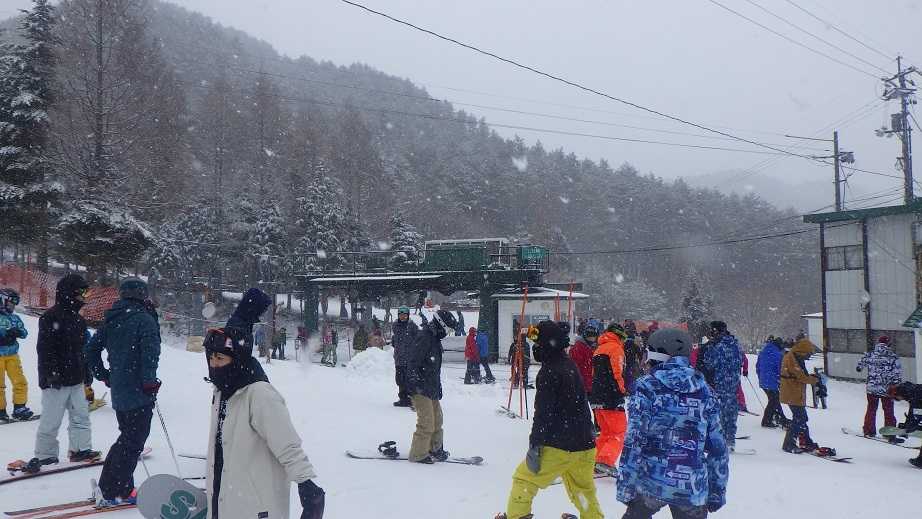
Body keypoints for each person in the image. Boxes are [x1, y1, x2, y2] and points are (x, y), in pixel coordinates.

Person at [203, 288, 325, 519]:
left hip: (255, 507)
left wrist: (306, 483)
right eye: (211, 358)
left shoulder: (259, 394)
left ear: (236, 360)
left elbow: (287, 444)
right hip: (225, 500)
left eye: (220, 358)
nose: (214, 364)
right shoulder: (222, 391)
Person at [617, 328, 729, 519]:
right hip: (691, 485)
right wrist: (717, 490)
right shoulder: (705, 391)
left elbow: (634, 440)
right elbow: (718, 447)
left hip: (651, 481)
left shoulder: (647, 387)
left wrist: (626, 487)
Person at [496, 321, 603, 519]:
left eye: (537, 344)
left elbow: (543, 413)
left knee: (524, 480)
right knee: (582, 489)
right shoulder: (569, 365)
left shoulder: (549, 372)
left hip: (560, 445)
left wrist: (535, 444)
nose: (535, 349)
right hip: (585, 444)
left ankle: (517, 515)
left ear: (546, 345)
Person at [86, 278, 162, 507]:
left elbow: (91, 350)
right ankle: (116, 490)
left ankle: (113, 485)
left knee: (127, 438)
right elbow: (150, 354)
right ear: (142, 295)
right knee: (133, 441)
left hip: (120, 388)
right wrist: (149, 382)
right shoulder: (144, 319)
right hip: (138, 390)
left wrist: (104, 375)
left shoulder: (112, 318)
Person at [25, 275, 99, 473]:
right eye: (83, 293)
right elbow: (45, 349)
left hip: (76, 379)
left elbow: (82, 351)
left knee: (81, 416)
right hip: (55, 381)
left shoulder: (79, 320)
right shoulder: (51, 317)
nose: (85, 297)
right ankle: (46, 455)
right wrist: (51, 373)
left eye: (87, 293)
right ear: (70, 293)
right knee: (51, 420)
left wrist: (86, 373)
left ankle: (80, 449)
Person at [406, 309, 457, 463]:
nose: (447, 333)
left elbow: (433, 367)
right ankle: (418, 454)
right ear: (441, 325)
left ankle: (434, 448)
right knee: (426, 422)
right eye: (448, 330)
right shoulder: (424, 337)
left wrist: (437, 386)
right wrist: (415, 384)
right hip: (420, 387)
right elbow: (413, 363)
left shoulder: (434, 338)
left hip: (430, 386)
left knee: (437, 420)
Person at [696, 321, 742, 451]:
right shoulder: (735, 344)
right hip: (733, 384)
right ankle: (730, 439)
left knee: (717, 413)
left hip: (719, 383)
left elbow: (709, 363)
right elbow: (740, 362)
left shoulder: (716, 346)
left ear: (715, 331)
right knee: (731, 412)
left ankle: (718, 441)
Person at [590, 323, 629, 475]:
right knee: (619, 432)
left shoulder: (599, 349)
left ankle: (596, 459)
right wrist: (622, 390)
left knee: (606, 432)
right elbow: (617, 373)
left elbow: (594, 374)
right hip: (611, 396)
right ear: (620, 336)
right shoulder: (616, 349)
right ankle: (605, 461)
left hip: (597, 396)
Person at [856, 336, 902, 441]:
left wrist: (861, 367)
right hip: (887, 389)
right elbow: (897, 374)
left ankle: (869, 430)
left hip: (872, 388)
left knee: (871, 409)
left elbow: (859, 366)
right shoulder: (893, 356)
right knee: (889, 411)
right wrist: (896, 386)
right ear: (888, 344)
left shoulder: (870, 354)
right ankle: (889, 433)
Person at [779, 338, 819, 454]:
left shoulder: (796, 357)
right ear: (802, 350)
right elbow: (800, 376)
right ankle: (788, 444)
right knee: (799, 418)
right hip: (792, 393)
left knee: (802, 418)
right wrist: (814, 380)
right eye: (807, 353)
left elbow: (801, 375)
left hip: (795, 393)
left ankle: (805, 441)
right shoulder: (791, 358)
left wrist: (812, 378)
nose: (808, 356)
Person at [0, 288, 32, 422]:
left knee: (20, 381)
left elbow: (24, 331)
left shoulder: (15, 318)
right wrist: (3, 336)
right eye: (10, 303)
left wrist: (18, 332)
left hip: (13, 355)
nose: (13, 306)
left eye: (14, 304)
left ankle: (19, 407)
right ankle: (1, 411)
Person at [756, 336, 790, 428]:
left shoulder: (763, 352)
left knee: (774, 400)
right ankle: (766, 421)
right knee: (773, 401)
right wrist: (781, 380)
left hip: (764, 380)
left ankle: (780, 418)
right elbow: (780, 370)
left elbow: (758, 367)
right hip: (773, 381)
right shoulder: (778, 355)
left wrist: (761, 377)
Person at [887, 382, 922, 468]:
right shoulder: (911, 391)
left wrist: (909, 427)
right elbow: (913, 412)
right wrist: (907, 425)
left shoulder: (915, 395)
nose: (898, 400)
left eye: (896, 398)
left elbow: (917, 414)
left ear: (897, 394)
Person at [391, 307, 417, 407]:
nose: (403, 317)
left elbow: (418, 339)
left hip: (409, 359)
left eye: (405, 315)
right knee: (400, 380)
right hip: (399, 359)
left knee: (410, 380)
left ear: (408, 316)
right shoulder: (395, 326)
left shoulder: (412, 326)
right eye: (401, 315)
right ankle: (403, 398)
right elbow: (395, 341)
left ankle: (413, 399)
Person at [569, 324, 598, 396]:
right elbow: (577, 367)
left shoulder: (591, 347)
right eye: (589, 336)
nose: (591, 339)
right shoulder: (579, 348)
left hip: (587, 383)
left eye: (593, 336)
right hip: (581, 384)